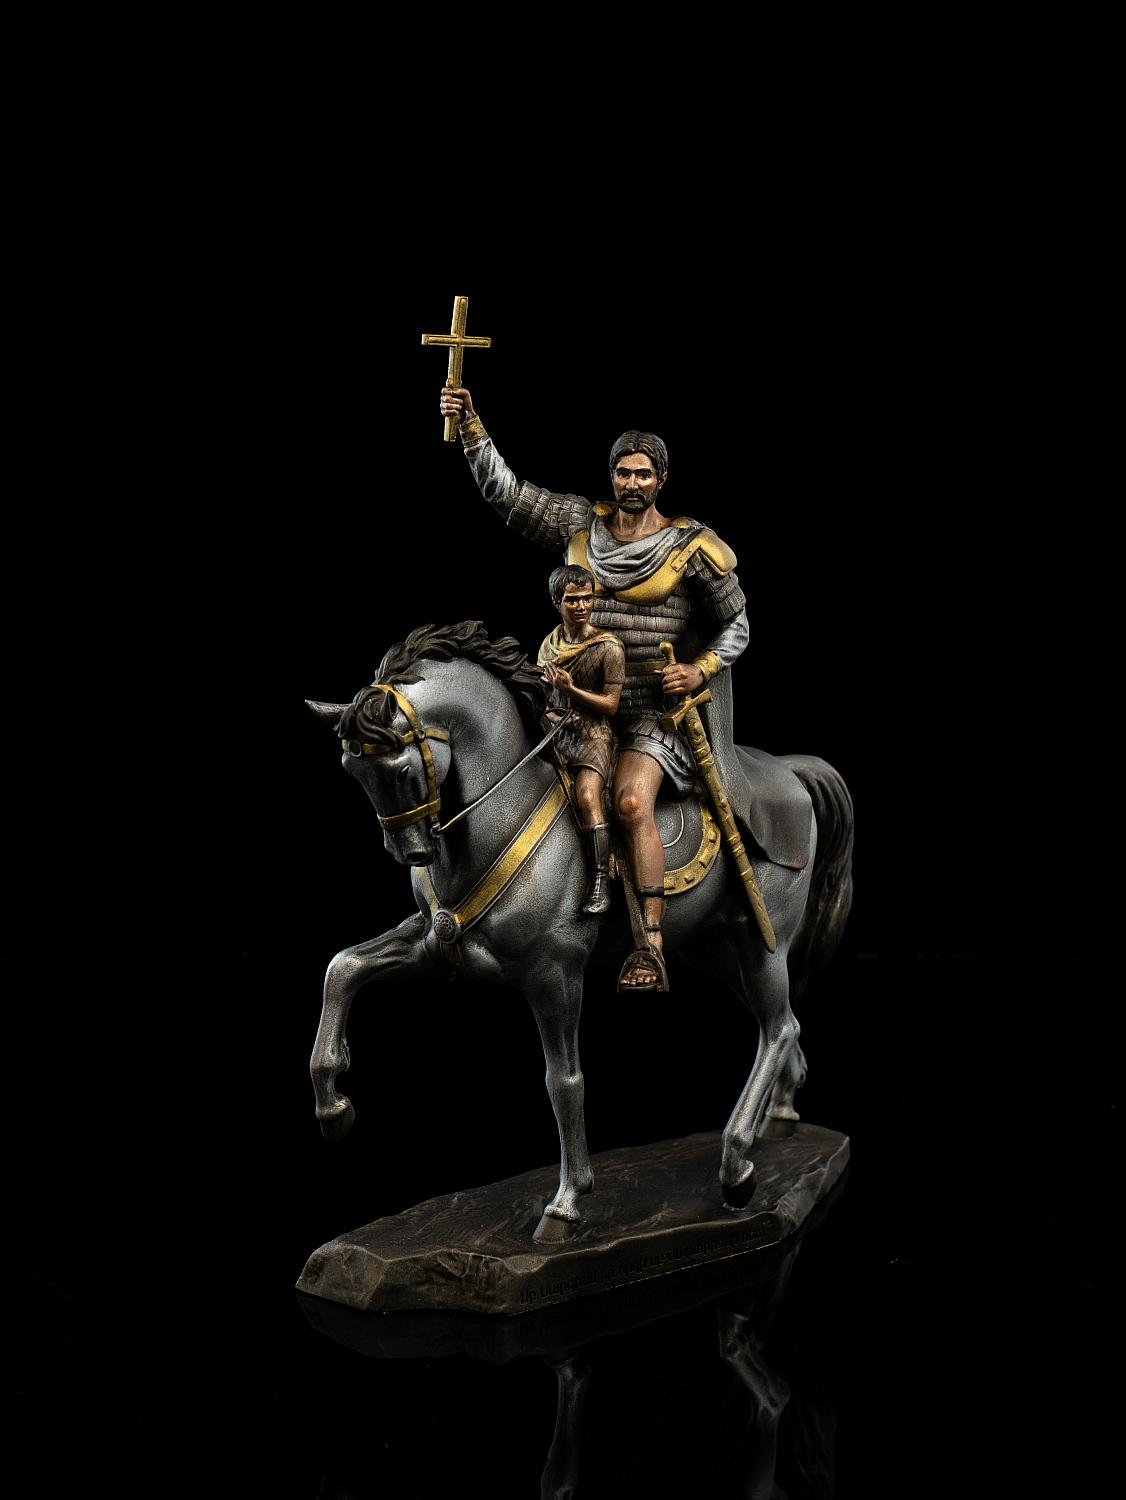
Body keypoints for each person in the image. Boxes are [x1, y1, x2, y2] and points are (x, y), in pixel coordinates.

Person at [440, 385, 751, 992]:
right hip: (573, 709)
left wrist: (701, 669)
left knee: (631, 802)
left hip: (650, 714)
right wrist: (472, 427)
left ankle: (650, 945)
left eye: (642, 474)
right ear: (611, 475)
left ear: (661, 479)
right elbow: (510, 495)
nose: (631, 484)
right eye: (622, 473)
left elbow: (737, 623)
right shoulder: (581, 524)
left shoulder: (689, 547)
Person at [537, 564, 625, 917]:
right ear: (557, 602)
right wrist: (550, 711)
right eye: (572, 600)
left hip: (594, 735)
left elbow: (611, 705)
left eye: (587, 598)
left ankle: (601, 879)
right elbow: (545, 695)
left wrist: (570, 689)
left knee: (587, 795)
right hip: (558, 731)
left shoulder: (608, 647)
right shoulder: (550, 645)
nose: (581, 606)